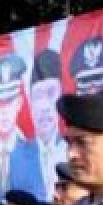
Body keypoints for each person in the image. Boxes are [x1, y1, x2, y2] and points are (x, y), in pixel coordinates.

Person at [0, 54, 46, 201]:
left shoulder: (32, 152)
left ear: (18, 103)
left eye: (9, 102)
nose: (4, 112)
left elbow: (41, 197)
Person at [29, 50, 67, 193]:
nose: (44, 106)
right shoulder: (17, 155)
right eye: (38, 96)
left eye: (51, 94)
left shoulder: (70, 150)